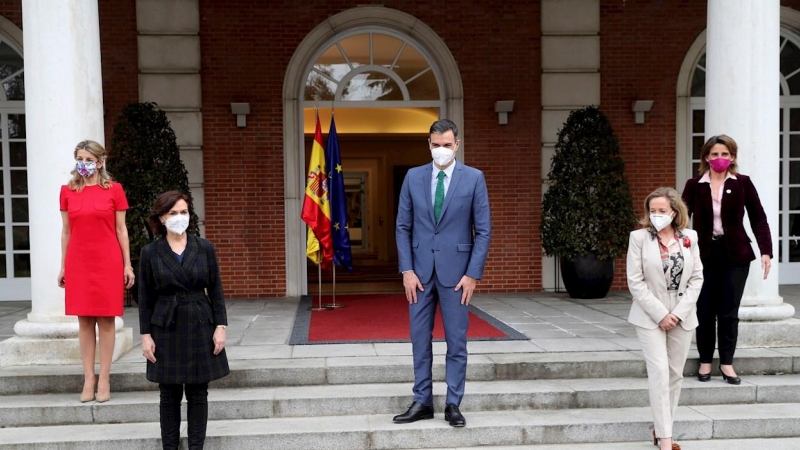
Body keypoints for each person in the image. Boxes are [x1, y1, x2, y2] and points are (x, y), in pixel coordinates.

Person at [394, 119, 491, 427]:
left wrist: (473, 274)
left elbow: (484, 231)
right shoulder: (413, 177)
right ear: (429, 144)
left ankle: (453, 404)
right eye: (435, 145)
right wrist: (407, 270)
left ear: (457, 145)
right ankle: (422, 401)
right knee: (419, 340)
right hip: (419, 275)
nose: (441, 150)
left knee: (457, 342)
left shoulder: (474, 178)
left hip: (457, 275)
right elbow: (402, 227)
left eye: (446, 145)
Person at [138, 191, 229, 450]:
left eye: (184, 212)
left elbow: (216, 290)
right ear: (161, 218)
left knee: (198, 392)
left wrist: (220, 326)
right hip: (165, 325)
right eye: (173, 213)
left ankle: (196, 447)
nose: (180, 218)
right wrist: (146, 335)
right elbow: (145, 298)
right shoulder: (150, 252)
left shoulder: (204, 247)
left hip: (201, 321)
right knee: (169, 395)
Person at [682, 134, 772, 385]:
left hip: (736, 255)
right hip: (704, 256)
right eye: (714, 154)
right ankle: (705, 362)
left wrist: (766, 250)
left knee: (729, 312)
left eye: (724, 154)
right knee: (704, 309)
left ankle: (727, 363)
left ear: (732, 157)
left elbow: (758, 218)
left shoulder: (742, 183)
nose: (719, 158)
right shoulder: (694, 184)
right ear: (706, 158)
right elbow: (681, 218)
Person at [627, 187, 703, 450]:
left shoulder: (689, 237)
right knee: (659, 372)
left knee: (674, 375)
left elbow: (697, 278)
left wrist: (678, 313)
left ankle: (662, 429)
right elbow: (635, 282)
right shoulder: (638, 238)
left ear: (674, 211)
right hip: (650, 314)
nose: (657, 215)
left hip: (682, 312)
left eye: (662, 210)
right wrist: (661, 314)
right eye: (653, 210)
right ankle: (665, 438)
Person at [59, 140, 134, 403]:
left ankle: (105, 378)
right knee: (84, 321)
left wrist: (127, 264)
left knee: (106, 321)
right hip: (79, 262)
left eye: (89, 159)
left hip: (108, 262)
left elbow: (121, 230)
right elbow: (66, 231)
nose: (84, 163)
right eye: (80, 158)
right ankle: (88, 377)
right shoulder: (67, 191)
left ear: (100, 162)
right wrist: (63, 265)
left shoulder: (115, 190)